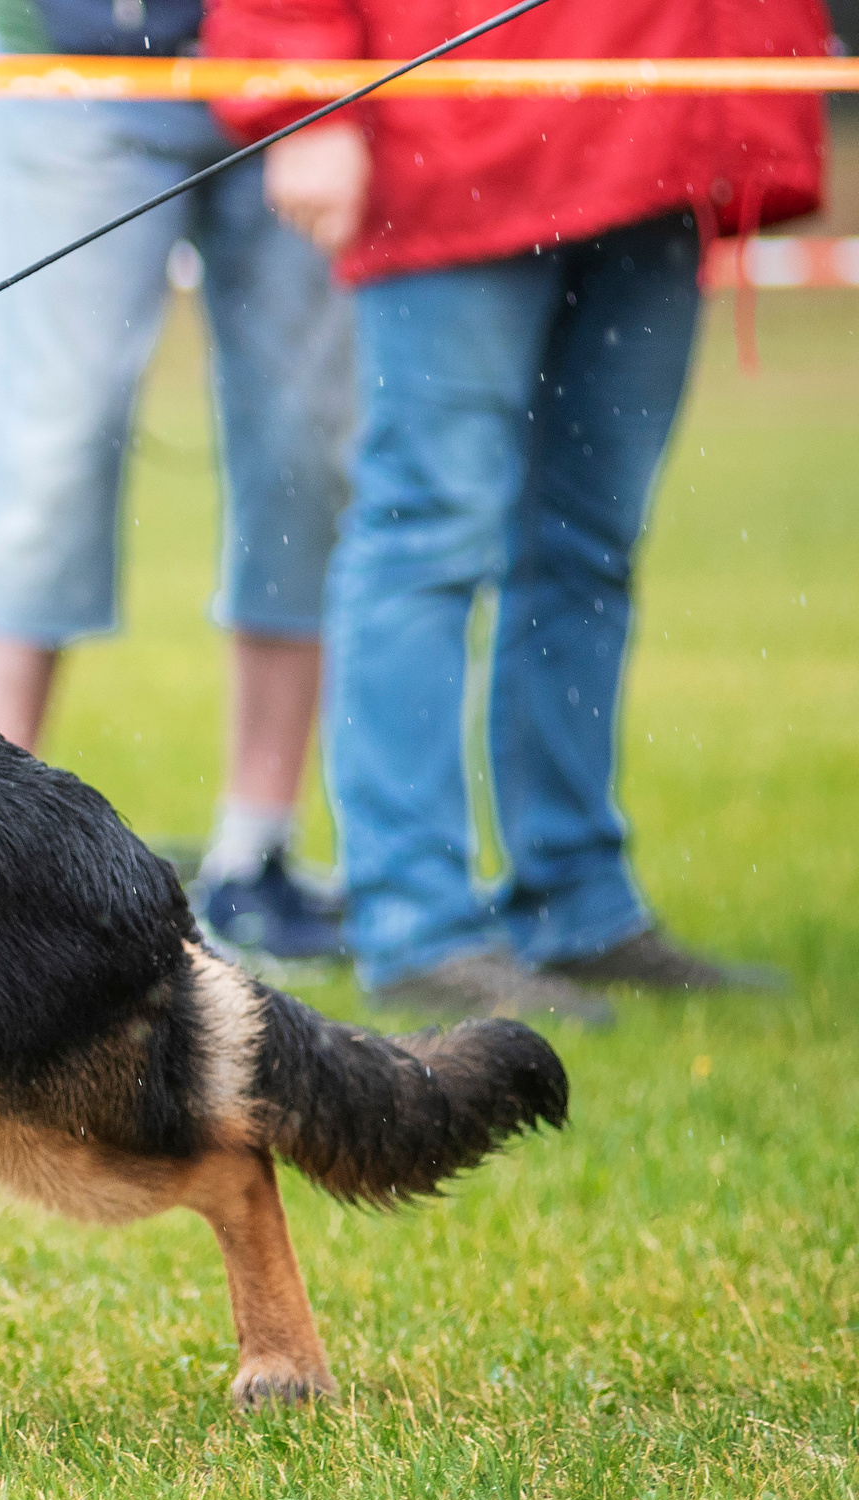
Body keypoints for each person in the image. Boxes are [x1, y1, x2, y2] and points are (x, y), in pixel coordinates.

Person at [205, 0, 825, 1024]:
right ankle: (415, 923)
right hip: (461, 123)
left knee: (588, 547)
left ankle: (575, 901)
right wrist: (301, 90)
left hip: (667, 125)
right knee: (424, 536)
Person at [0, 0, 354, 963]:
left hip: (298, 58)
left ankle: (259, 854)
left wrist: (313, 75)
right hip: (68, 59)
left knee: (306, 455)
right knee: (47, 454)